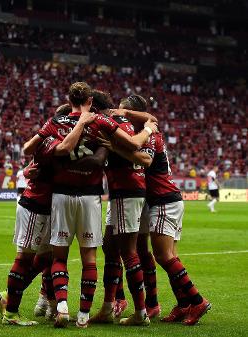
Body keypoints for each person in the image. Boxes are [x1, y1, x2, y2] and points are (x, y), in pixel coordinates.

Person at [24, 82, 158, 328]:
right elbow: (130, 143)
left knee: (60, 254)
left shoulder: (63, 123)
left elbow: (31, 149)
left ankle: (61, 305)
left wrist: (50, 167)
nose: (116, 112)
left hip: (76, 195)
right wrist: (143, 129)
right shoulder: (104, 124)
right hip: (97, 197)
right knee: (98, 255)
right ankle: (89, 312)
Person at [0, 109, 96, 326]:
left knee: (48, 258)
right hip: (35, 205)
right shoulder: (51, 141)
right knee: (24, 258)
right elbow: (49, 152)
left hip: (50, 208)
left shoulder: (64, 138)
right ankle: (10, 311)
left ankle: (31, 300)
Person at [89, 93, 159, 326]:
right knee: (109, 246)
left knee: (129, 252)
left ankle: (141, 313)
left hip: (127, 190)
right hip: (124, 192)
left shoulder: (115, 122)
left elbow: (135, 149)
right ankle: (109, 307)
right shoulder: (127, 123)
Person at [143, 131, 212, 325]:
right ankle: (183, 305)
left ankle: (197, 301)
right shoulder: (154, 135)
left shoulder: (147, 136)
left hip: (163, 200)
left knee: (164, 256)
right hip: (171, 198)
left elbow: (144, 161)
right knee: (171, 255)